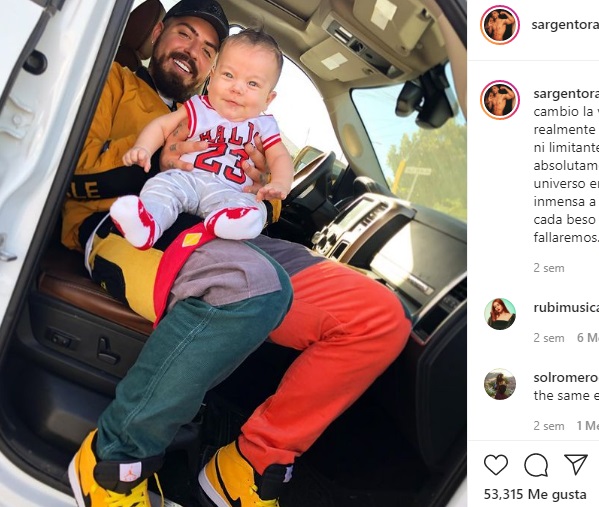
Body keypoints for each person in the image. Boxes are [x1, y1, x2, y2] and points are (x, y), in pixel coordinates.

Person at [66, 1, 410, 506]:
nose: (193, 51)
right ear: (157, 33)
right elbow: (68, 171)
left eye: (209, 49)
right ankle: (113, 463)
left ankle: (248, 465)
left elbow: (267, 199)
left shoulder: (234, 121)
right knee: (249, 284)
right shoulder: (112, 82)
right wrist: (154, 163)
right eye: (185, 34)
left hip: (227, 233)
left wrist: (258, 188)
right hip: (125, 225)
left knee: (377, 316)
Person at [113, 28, 292, 249]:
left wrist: (280, 183)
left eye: (252, 84)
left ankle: (227, 224)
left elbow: (280, 157)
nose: (237, 88)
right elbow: (161, 126)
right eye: (229, 75)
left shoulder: (264, 127)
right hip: (186, 180)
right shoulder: (198, 107)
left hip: (229, 194)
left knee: (254, 208)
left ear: (268, 99)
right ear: (212, 77)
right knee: (161, 186)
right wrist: (143, 148)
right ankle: (148, 225)